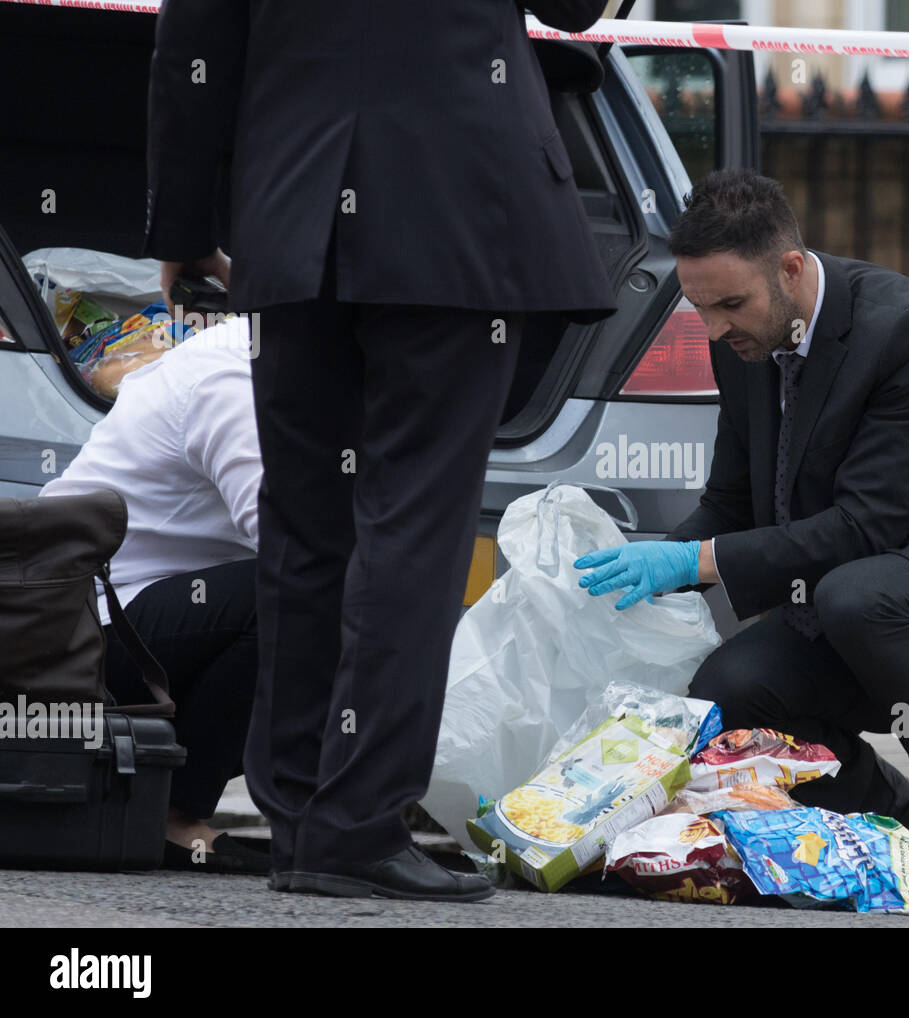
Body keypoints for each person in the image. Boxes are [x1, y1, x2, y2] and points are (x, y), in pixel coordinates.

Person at [143, 1, 618, 900]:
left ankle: (298, 816)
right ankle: (353, 823)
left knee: (305, 529)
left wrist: (181, 228)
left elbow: (192, 47)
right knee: (414, 526)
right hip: (457, 215)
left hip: (292, 223)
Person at [574, 168, 909, 914]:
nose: (717, 329)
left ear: (789, 269)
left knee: (858, 591)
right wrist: (639, 566)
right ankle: (883, 807)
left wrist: (693, 562)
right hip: (860, 601)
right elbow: (731, 504)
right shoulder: (746, 343)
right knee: (730, 690)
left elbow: (867, 526)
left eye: (732, 304)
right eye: (700, 309)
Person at [40, 316, 268, 875]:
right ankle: (173, 812)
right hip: (80, 632)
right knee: (292, 595)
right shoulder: (233, 379)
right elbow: (289, 537)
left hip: (129, 616)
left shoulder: (274, 359)